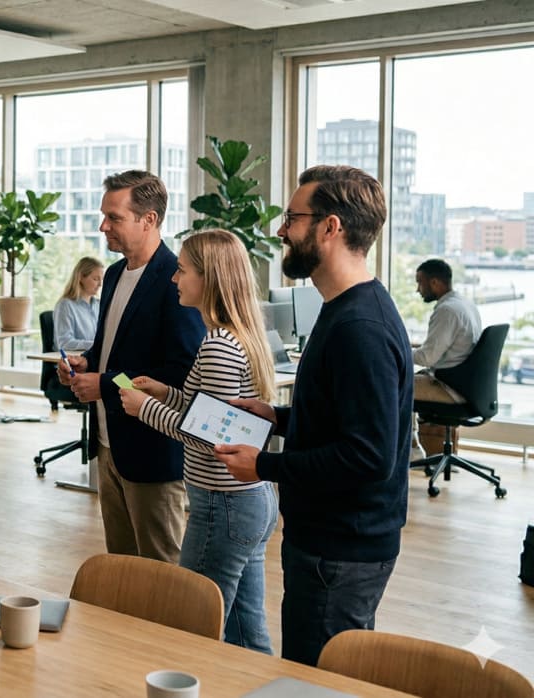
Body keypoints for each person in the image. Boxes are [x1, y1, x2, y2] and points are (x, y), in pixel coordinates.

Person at [213, 165, 412, 667]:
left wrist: (264, 466)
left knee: (316, 678)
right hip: (331, 541)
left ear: (331, 227)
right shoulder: (345, 307)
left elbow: (367, 457)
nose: (281, 230)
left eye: (292, 218)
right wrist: (277, 417)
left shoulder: (359, 327)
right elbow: (343, 419)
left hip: (340, 547)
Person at [118, 229, 278, 654]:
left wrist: (143, 409)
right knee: (245, 632)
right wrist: (164, 393)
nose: (174, 279)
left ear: (209, 279)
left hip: (222, 504)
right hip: (248, 500)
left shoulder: (218, 346)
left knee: (192, 629)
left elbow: (212, 438)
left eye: (183, 271)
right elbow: (209, 412)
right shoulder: (237, 338)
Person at [57, 170, 205, 563]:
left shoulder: (177, 280)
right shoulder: (115, 273)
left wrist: (103, 383)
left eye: (114, 218)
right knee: (121, 569)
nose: (103, 226)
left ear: (149, 219)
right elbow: (111, 346)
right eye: (103, 216)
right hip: (110, 446)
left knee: (160, 571)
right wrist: (86, 361)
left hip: (152, 451)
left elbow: (180, 372)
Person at [410, 258, 481, 459]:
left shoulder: (446, 310)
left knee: (393, 383)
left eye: (420, 282)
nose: (418, 290)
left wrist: (395, 351)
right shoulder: (464, 304)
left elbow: (427, 358)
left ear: (434, 283)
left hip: (450, 387)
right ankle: (413, 446)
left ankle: (410, 449)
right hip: (466, 384)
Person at [53, 256, 105, 352]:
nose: (100, 284)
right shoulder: (65, 305)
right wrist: (97, 345)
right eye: (95, 279)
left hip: (94, 359)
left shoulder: (99, 305)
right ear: (81, 277)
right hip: (75, 363)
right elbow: (64, 343)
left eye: (101, 279)